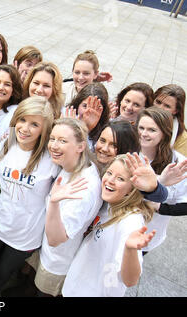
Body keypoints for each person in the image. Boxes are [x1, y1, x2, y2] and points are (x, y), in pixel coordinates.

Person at [0, 96, 59, 297]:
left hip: (26, 233)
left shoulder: (52, 159)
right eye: (22, 120)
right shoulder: (5, 144)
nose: (25, 128)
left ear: (45, 129)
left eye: (34, 124)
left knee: (3, 273)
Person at [62, 154, 156, 297]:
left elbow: (130, 280)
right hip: (77, 284)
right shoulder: (111, 203)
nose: (110, 180)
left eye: (120, 179)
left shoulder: (130, 222)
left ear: (132, 189)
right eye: (110, 173)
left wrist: (130, 250)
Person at [32, 117, 102, 297]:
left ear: (81, 146)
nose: (54, 146)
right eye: (53, 138)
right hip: (46, 252)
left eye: (63, 141)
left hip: (57, 262)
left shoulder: (83, 190)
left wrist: (54, 202)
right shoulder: (72, 164)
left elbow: (56, 239)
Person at [136, 107, 186, 254]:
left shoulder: (179, 164)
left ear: (165, 133)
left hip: (146, 234)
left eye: (152, 130)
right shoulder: (129, 150)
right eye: (141, 128)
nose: (144, 134)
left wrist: (160, 208)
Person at [66, 82, 110, 148]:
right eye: (85, 106)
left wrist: (88, 128)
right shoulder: (65, 115)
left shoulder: (106, 131)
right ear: (78, 104)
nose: (88, 112)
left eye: (95, 108)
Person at [153, 84, 187, 156]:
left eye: (167, 106)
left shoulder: (182, 138)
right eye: (158, 102)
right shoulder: (139, 118)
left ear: (176, 111)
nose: (159, 108)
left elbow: (179, 164)